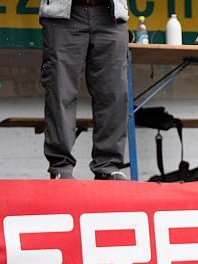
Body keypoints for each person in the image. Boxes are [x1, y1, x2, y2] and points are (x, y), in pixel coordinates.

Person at [39, 0, 130, 180]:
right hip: (64, 13)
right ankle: (61, 167)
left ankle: (108, 166)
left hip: (111, 14)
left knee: (114, 94)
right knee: (60, 90)